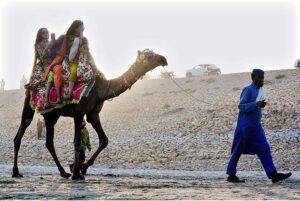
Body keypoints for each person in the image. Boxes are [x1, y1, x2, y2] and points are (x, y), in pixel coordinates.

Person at [226, 69, 292, 183]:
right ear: (253, 77)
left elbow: (256, 106)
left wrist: (260, 105)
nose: (262, 80)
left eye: (263, 77)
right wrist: (256, 104)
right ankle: (231, 175)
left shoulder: (260, 89)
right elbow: (242, 106)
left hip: (256, 128)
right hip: (245, 128)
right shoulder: (248, 89)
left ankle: (273, 174)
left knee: (264, 149)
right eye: (259, 77)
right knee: (237, 150)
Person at [63, 20, 85, 100]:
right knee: (74, 72)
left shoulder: (79, 38)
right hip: (73, 61)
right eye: (81, 27)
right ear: (76, 29)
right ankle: (69, 93)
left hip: (81, 60)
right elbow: (73, 51)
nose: (83, 28)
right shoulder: (72, 38)